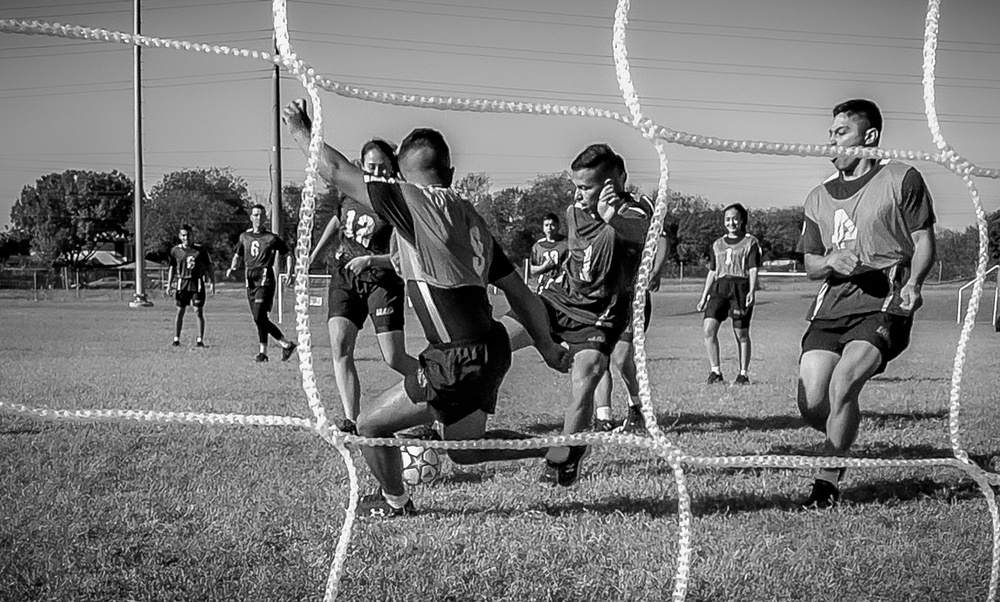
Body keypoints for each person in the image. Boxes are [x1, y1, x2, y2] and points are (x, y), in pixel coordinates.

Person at [283, 99, 570, 517]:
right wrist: (545, 347)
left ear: (400, 176)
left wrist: (298, 130)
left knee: (370, 426)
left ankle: (395, 502)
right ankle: (556, 448)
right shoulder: (471, 216)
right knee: (465, 452)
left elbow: (335, 170)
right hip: (489, 349)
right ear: (451, 173)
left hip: (456, 359)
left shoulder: (411, 200)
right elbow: (521, 293)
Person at [796, 99, 936, 508]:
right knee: (812, 402)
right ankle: (841, 434)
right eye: (830, 134)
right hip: (832, 304)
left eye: (840, 133)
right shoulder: (817, 197)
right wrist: (830, 260)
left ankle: (826, 484)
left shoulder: (901, 178)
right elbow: (809, 264)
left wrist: (915, 282)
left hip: (884, 301)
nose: (831, 142)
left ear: (869, 137)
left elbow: (924, 241)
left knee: (844, 384)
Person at [506, 144, 650, 485]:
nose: (578, 194)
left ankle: (565, 458)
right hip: (559, 300)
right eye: (576, 186)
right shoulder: (573, 211)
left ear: (615, 182)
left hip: (600, 316)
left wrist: (610, 216)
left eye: (586, 187)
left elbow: (644, 235)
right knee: (494, 339)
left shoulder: (636, 209)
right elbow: (579, 254)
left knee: (584, 382)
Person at [309, 139, 417, 434]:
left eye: (384, 168)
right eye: (371, 167)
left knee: (394, 357)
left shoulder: (397, 202)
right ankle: (351, 420)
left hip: (382, 281)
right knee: (340, 347)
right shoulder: (348, 191)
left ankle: (437, 391)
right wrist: (315, 255)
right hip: (344, 278)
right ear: (360, 166)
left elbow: (400, 258)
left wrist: (371, 260)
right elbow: (337, 221)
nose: (377, 174)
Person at [593, 195, 666, 434]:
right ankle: (603, 417)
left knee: (622, 358)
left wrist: (655, 270)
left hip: (631, 300)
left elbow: (661, 238)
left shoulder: (637, 218)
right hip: (602, 300)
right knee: (595, 356)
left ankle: (637, 406)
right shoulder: (597, 224)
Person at [696, 203, 761, 385]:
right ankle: (715, 372)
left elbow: (753, 268)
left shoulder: (750, 242)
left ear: (741, 220)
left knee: (741, 333)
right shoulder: (717, 244)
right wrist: (704, 296)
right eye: (727, 219)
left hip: (740, 287)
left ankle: (743, 374)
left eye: (734, 218)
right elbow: (712, 271)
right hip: (720, 288)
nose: (731, 222)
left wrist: (752, 291)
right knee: (708, 329)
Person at [226, 204, 298, 363]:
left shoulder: (271, 238)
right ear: (251, 217)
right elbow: (238, 254)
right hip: (249, 279)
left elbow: (288, 254)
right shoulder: (244, 236)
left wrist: (290, 272)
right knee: (259, 318)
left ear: (265, 218)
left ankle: (285, 343)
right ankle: (263, 352)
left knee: (259, 315)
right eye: (255, 215)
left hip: (265, 278)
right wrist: (232, 267)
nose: (258, 218)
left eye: (261, 215)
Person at [166, 223, 215, 347]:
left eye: (188, 235)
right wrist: (169, 284)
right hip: (182, 283)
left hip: (196, 283)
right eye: (183, 235)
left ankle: (200, 340)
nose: (186, 238)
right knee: (180, 311)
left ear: (192, 235)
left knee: (198, 311)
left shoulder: (201, 250)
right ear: (179, 236)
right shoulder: (175, 251)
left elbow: (209, 266)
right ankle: (176, 339)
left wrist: (212, 283)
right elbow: (172, 267)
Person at [529, 213, 568, 293]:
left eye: (552, 225)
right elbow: (531, 270)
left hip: (561, 287)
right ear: (543, 227)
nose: (549, 228)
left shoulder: (567, 243)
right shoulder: (538, 246)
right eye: (546, 225)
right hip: (543, 288)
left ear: (558, 226)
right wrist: (544, 266)